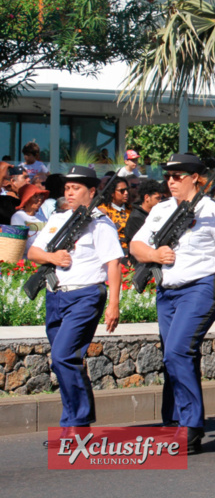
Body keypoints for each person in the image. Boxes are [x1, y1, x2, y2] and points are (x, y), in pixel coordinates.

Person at [130, 153, 215, 453]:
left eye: (178, 176)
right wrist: (154, 255)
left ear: (195, 177)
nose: (171, 181)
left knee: (177, 351)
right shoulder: (160, 210)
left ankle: (191, 425)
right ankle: (175, 419)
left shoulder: (213, 211)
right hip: (167, 292)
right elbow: (136, 245)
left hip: (199, 288)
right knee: (178, 355)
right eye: (168, 176)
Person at [28, 166, 122, 443]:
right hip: (56, 296)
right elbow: (33, 251)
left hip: (85, 295)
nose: (69, 192)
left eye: (76, 188)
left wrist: (113, 304)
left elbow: (113, 263)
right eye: (67, 187)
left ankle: (76, 424)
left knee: (63, 356)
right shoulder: (58, 218)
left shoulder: (100, 223)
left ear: (92, 192)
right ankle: (75, 424)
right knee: (66, 362)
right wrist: (53, 258)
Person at [124, 179, 165, 255]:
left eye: (161, 198)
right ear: (146, 197)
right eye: (157, 198)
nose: (160, 201)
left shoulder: (157, 214)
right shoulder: (136, 218)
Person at [11, 183, 49, 257]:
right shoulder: (18, 216)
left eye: (41, 196)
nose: (40, 200)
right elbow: (21, 242)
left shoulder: (42, 218)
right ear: (27, 199)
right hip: (25, 261)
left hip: (41, 257)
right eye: (35, 197)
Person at [98, 177, 132, 255]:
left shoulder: (131, 209)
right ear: (112, 193)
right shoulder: (103, 211)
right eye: (122, 191)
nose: (126, 193)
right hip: (113, 252)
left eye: (127, 190)